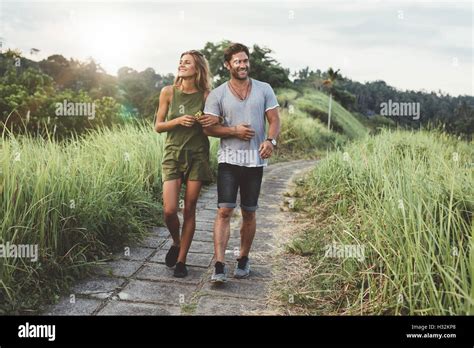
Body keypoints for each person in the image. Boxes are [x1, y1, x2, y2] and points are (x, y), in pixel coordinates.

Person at [202, 43, 281, 282]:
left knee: (249, 212)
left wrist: (271, 141)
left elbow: (274, 120)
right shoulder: (218, 94)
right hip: (229, 160)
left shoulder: (264, 88)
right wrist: (234, 130)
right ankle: (218, 264)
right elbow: (209, 129)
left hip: (255, 161)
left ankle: (244, 259)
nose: (243, 65)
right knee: (224, 210)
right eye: (237, 61)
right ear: (228, 65)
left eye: (245, 60)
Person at [154, 50, 220, 277]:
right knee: (169, 210)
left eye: (187, 63)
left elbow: (214, 125)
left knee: (189, 209)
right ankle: (175, 241)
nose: (181, 65)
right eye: (180, 62)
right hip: (173, 154)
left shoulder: (206, 95)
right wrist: (178, 120)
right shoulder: (168, 92)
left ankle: (181, 261)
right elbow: (158, 126)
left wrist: (211, 120)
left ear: (197, 69)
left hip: (198, 156)